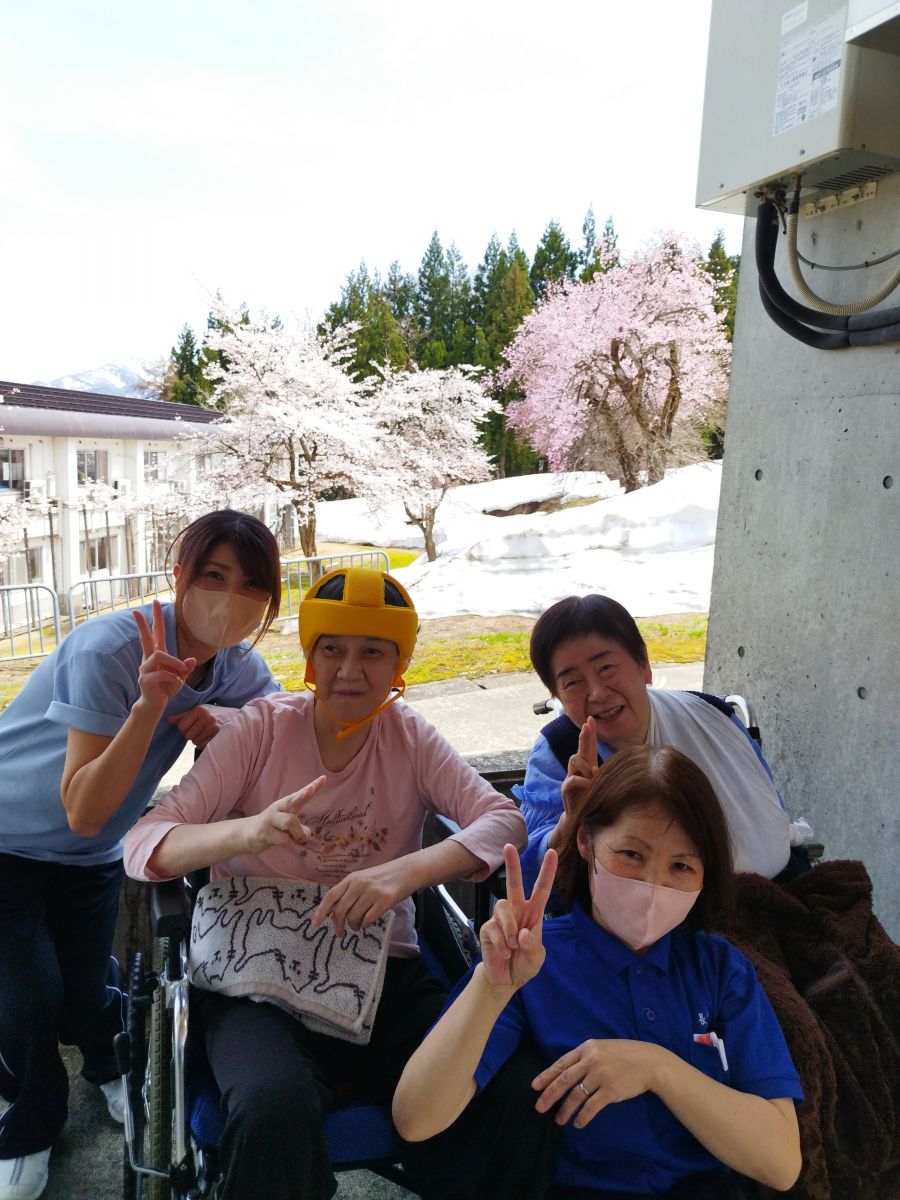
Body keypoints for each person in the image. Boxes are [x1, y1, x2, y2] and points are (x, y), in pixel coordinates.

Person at [124, 566, 529, 1200]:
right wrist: (248, 832)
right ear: (311, 659)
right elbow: (145, 842)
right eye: (332, 649)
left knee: (504, 1089)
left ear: (400, 663)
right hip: (256, 979)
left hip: (380, 971)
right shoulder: (260, 730)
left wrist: (404, 872)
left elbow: (504, 819)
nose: (349, 670)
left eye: (373, 652)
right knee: (271, 1106)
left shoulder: (410, 738)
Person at [0, 509, 283, 1200]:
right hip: (8, 835)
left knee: (86, 988)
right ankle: (29, 1128)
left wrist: (232, 721)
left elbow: (285, 732)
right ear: (179, 575)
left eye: (252, 584)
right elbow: (84, 805)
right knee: (29, 1000)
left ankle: (111, 1069)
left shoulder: (237, 669)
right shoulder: (108, 650)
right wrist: (150, 704)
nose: (231, 597)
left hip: (91, 855)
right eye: (213, 574)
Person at [394, 745, 804, 1199]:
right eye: (631, 854)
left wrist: (656, 1068)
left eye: (681, 866)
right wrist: (490, 989)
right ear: (586, 841)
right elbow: (417, 1117)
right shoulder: (534, 960)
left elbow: (781, 1161)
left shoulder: (720, 969)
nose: (652, 884)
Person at [517, 594, 802, 894]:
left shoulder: (713, 715)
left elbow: (769, 805)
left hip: (784, 889)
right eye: (572, 682)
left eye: (607, 668)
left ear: (644, 664)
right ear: (557, 696)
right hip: (656, 919)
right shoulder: (559, 750)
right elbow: (528, 880)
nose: (597, 693)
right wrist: (571, 821)